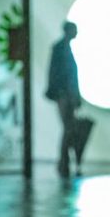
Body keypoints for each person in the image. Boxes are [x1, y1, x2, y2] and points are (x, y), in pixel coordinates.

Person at [45, 21, 81, 177]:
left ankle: (64, 162)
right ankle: (63, 162)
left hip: (66, 94)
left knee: (68, 128)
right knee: (68, 128)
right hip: (64, 94)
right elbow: (58, 73)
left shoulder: (63, 48)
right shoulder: (60, 49)